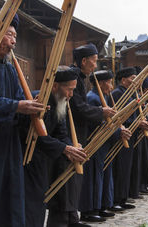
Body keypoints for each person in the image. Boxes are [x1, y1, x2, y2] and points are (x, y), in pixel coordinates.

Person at [0, 9, 45, 227]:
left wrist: (33, 106)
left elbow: (20, 98)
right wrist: (16, 106)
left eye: (15, 37)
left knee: (11, 195)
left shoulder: (10, 70)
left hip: (9, 143)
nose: (13, 42)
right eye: (9, 35)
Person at [47, 43, 115, 226]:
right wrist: (101, 112)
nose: (95, 65)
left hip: (73, 135)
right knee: (66, 177)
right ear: (83, 61)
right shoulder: (72, 76)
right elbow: (77, 108)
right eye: (94, 61)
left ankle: (72, 217)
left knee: (75, 178)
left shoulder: (79, 77)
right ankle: (63, 219)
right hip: (67, 136)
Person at [21, 66, 88, 227]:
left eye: (73, 90)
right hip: (27, 158)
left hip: (46, 156)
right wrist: (65, 148)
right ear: (55, 86)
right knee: (32, 204)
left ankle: (66, 218)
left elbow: (61, 132)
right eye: (69, 89)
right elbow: (36, 136)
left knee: (69, 165)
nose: (71, 94)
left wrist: (71, 146)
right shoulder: (36, 100)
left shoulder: (60, 101)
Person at [79, 70, 131, 222]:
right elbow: (99, 125)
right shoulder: (93, 98)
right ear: (101, 83)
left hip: (105, 144)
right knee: (93, 177)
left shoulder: (106, 97)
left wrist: (120, 130)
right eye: (109, 82)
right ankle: (89, 210)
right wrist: (117, 132)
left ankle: (101, 206)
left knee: (104, 175)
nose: (111, 85)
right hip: (95, 143)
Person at [111, 67, 148, 209]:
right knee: (120, 168)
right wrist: (136, 123)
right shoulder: (117, 93)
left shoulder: (131, 94)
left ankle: (123, 197)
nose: (135, 81)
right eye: (132, 78)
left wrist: (141, 122)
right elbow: (118, 118)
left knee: (128, 168)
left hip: (132, 135)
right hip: (121, 135)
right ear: (123, 80)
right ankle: (116, 199)